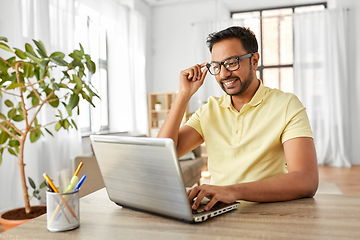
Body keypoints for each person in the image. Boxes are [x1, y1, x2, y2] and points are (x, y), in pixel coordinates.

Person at [157, 26, 318, 211]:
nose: (224, 74)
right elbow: (163, 157)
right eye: (216, 66)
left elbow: (306, 180)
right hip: (216, 213)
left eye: (232, 63)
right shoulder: (209, 110)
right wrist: (183, 95)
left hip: (268, 213)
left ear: (255, 60)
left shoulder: (287, 105)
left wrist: (232, 191)